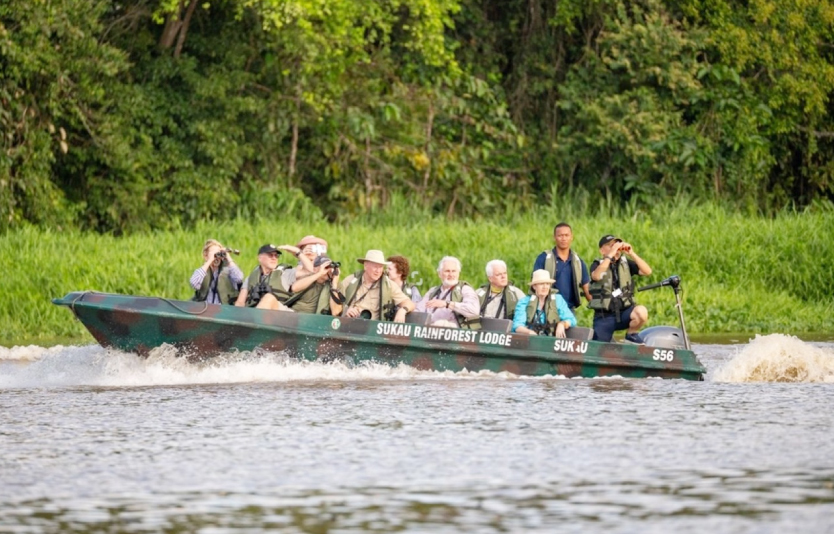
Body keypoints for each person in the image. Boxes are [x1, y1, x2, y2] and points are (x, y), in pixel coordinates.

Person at [588, 234, 652, 343]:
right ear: (602, 250)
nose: (615, 248)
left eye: (616, 245)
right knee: (598, 347)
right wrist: (610, 254)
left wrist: (631, 253)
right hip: (604, 316)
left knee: (641, 312)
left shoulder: (625, 263)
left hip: (624, 312)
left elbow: (647, 271)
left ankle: (631, 333)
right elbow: (596, 276)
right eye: (610, 245)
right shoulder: (597, 264)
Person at [331, 250, 415, 322]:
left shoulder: (389, 285)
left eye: (381, 267)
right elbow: (335, 305)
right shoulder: (351, 280)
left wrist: (403, 310)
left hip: (373, 331)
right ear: (365, 266)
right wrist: (346, 310)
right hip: (349, 327)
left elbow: (409, 303)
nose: (378, 271)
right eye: (375, 267)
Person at [532, 222, 591, 311]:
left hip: (569, 310)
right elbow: (534, 284)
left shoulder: (578, 261)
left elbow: (586, 288)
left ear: (572, 237)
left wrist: (598, 308)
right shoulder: (544, 258)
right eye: (560, 235)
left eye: (566, 235)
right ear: (554, 237)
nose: (563, 238)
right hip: (547, 308)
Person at [415, 256, 480, 328]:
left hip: (453, 332)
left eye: (454, 271)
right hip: (428, 330)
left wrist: (447, 304)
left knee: (440, 324)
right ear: (439, 274)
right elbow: (419, 309)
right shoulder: (433, 291)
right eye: (447, 271)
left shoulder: (465, 289)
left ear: (458, 273)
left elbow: (474, 311)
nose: (451, 275)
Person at [512, 270, 576, 337]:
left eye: (547, 284)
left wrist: (562, 324)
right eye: (541, 284)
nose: (545, 287)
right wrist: (529, 332)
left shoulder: (558, 299)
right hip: (531, 340)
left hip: (552, 340)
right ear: (534, 286)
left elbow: (572, 319)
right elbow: (517, 326)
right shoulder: (524, 302)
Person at [234, 244, 291, 311]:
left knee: (268, 298)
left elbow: (306, 272)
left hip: (281, 312)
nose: (274, 258)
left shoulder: (286, 273)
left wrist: (298, 253)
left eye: (276, 256)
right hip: (256, 312)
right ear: (260, 258)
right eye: (270, 255)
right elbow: (240, 302)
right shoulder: (251, 278)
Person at [189, 239, 244, 305]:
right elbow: (193, 283)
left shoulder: (228, 270)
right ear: (205, 256)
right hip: (204, 309)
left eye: (219, 253)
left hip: (223, 310)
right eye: (214, 253)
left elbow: (239, 278)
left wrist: (228, 258)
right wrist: (209, 261)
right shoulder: (203, 271)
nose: (217, 257)